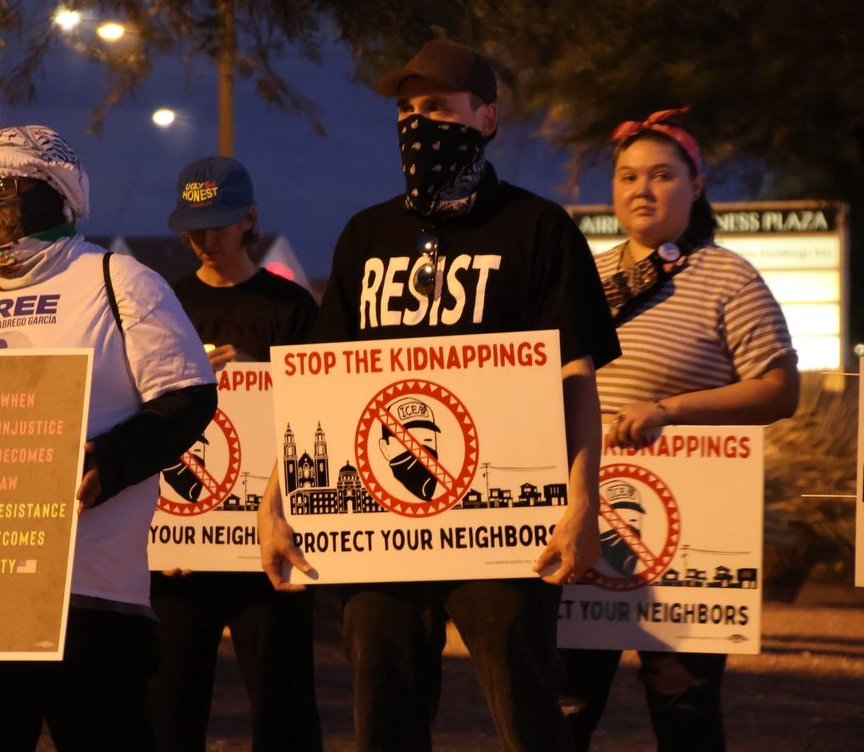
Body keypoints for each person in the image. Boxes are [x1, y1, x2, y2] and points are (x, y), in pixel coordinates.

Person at [258, 39, 622, 752]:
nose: (416, 124)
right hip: (379, 528)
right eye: (405, 110)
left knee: (527, 710)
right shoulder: (367, 235)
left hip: (504, 527)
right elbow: (320, 389)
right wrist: (277, 502)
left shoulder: (538, 228)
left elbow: (576, 376)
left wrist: (584, 502)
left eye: (437, 108)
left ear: (486, 118)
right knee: (383, 714)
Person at [0, 124, 217, 751]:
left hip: (90, 594)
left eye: (4, 190)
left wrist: (109, 461)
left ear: (59, 193)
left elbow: (189, 398)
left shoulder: (121, 282)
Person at [558, 108, 800, 752]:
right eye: (628, 175)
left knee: (684, 715)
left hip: (688, 540)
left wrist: (671, 410)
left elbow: (780, 389)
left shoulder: (730, 277)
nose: (642, 189)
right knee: (562, 710)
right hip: (585, 526)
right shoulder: (583, 274)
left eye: (663, 175)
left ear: (696, 186)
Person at [149, 155, 322, 752]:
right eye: (193, 227)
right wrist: (157, 531)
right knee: (169, 707)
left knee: (283, 705)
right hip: (182, 549)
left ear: (250, 219)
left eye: (218, 225)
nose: (204, 240)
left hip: (266, 538)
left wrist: (261, 379)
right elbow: (140, 419)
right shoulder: (162, 306)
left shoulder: (292, 308)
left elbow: (315, 410)